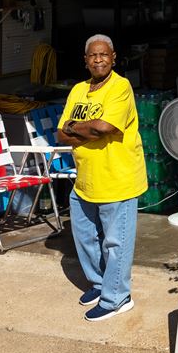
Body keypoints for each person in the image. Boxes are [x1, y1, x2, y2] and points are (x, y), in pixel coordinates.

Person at [56, 34, 147, 322]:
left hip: (117, 179)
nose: (98, 59)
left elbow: (104, 127)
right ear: (85, 61)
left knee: (115, 243)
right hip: (85, 180)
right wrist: (83, 127)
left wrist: (77, 128)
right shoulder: (78, 91)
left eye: (104, 55)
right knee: (84, 238)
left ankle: (117, 298)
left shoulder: (121, 87)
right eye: (93, 56)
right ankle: (98, 283)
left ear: (114, 57)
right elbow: (60, 133)